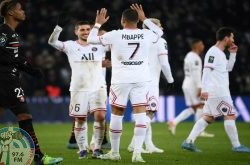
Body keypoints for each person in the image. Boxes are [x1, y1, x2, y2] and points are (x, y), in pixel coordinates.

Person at [0, 1, 63, 165]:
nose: (23, 12)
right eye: (19, 9)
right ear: (10, 13)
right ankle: (38, 157)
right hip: (6, 79)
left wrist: (31, 69)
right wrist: (19, 63)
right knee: (25, 115)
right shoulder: (4, 32)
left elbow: (12, 57)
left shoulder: (11, 33)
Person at [87, 4, 163, 163]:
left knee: (117, 114)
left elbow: (90, 39)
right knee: (141, 114)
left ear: (122, 21)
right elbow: (160, 32)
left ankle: (115, 152)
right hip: (141, 79)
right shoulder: (146, 34)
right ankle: (137, 154)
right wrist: (145, 19)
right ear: (137, 20)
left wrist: (98, 24)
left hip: (120, 80)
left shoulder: (115, 35)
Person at [181, 27, 250, 153]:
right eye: (232, 37)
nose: (233, 40)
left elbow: (228, 68)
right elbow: (206, 70)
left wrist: (233, 54)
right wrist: (204, 89)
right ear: (226, 38)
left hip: (217, 91)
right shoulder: (213, 52)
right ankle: (237, 146)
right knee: (230, 115)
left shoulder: (220, 53)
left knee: (208, 118)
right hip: (218, 91)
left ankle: (188, 142)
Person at [48, 21, 109, 159]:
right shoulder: (70, 45)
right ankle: (82, 149)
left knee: (100, 116)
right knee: (80, 119)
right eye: (82, 30)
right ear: (76, 32)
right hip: (78, 88)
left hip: (98, 86)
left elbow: (116, 45)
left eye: (88, 29)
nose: (86, 32)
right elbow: (52, 42)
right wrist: (58, 28)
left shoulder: (99, 45)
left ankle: (97, 148)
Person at [127, 18, 173, 154]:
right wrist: (170, 79)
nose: (162, 27)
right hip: (150, 82)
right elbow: (164, 63)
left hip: (134, 80)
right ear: (152, 27)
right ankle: (134, 144)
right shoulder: (159, 40)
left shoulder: (138, 38)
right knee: (150, 113)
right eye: (159, 25)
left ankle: (149, 144)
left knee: (142, 113)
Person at [168, 39, 215, 137]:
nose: (203, 45)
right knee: (201, 105)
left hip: (187, 83)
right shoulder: (196, 58)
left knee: (194, 108)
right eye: (201, 44)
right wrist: (199, 87)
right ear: (196, 45)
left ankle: (174, 122)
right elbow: (196, 73)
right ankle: (199, 131)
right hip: (193, 85)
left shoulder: (188, 55)